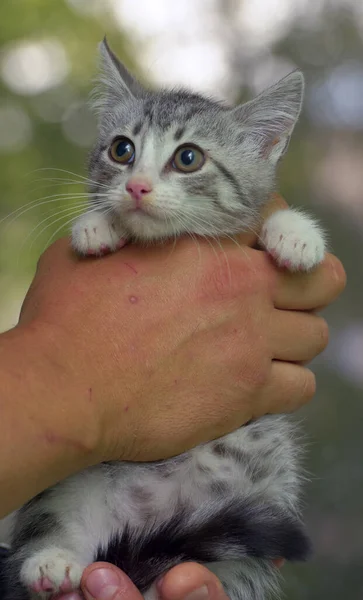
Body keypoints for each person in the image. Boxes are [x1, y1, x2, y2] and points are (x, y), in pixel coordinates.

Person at [0, 196, 345, 600]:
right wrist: (72, 377)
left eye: (186, 159)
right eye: (123, 151)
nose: (141, 183)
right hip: (124, 511)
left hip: (208, 503)